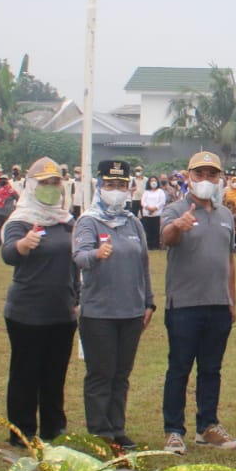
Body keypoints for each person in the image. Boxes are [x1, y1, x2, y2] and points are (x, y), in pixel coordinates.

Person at [159, 151, 236, 452]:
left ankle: (207, 426)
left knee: (211, 369)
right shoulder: (175, 209)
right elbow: (166, 238)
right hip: (184, 304)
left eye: (212, 174)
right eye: (199, 174)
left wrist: (231, 300)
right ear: (188, 176)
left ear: (220, 178)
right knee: (179, 368)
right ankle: (173, 430)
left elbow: (229, 260)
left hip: (218, 304)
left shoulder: (225, 215)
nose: (206, 179)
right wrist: (178, 226)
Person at [74, 159, 154, 450]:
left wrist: (148, 302)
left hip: (131, 311)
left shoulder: (133, 222)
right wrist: (96, 254)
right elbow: (79, 257)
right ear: (100, 186)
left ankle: (117, 429)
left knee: (121, 374)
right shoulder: (89, 221)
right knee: (101, 373)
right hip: (99, 312)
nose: (116, 190)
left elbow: (144, 264)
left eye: (121, 185)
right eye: (110, 184)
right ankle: (100, 432)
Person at [0, 157, 79, 446]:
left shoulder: (66, 221)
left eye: (55, 182)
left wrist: (78, 298)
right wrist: (23, 245)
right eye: (45, 183)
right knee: (25, 373)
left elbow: (75, 264)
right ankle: (22, 431)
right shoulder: (21, 220)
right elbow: (8, 253)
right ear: (31, 186)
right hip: (27, 312)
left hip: (62, 311)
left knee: (55, 373)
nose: (51, 187)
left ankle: (53, 427)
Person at [140, 176, 167, 249]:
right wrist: (148, 208)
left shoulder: (160, 191)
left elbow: (162, 202)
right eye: (151, 181)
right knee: (148, 230)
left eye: (154, 180)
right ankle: (149, 245)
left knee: (156, 230)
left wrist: (154, 208)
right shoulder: (146, 192)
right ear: (149, 182)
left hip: (157, 214)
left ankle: (156, 245)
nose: (153, 182)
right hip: (147, 214)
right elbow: (143, 202)